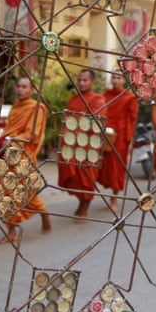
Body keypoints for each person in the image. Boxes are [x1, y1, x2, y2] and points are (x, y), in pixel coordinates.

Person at [0, 76, 52, 243]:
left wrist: (12, 140)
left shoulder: (37, 108)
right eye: (18, 86)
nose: (20, 90)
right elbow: (9, 129)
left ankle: (44, 213)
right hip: (7, 153)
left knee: (26, 191)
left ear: (32, 90)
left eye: (25, 87)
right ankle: (12, 230)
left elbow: (32, 134)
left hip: (23, 153)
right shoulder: (16, 107)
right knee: (5, 192)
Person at [58, 69, 106, 222]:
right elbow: (68, 119)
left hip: (88, 144)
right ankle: (81, 203)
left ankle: (84, 208)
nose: (81, 83)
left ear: (93, 82)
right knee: (73, 177)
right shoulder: (74, 98)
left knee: (86, 177)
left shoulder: (98, 100)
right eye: (80, 80)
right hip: (71, 143)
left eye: (85, 80)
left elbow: (97, 122)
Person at [97, 70, 138, 212]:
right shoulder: (105, 95)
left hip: (121, 137)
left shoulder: (130, 97)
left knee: (117, 168)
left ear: (124, 81)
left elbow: (132, 120)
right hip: (106, 134)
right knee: (104, 165)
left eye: (118, 78)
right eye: (113, 77)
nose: (115, 80)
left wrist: (131, 139)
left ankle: (114, 199)